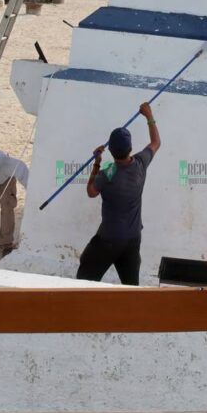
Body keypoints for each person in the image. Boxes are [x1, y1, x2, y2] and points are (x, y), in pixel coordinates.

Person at [76, 102, 160, 285]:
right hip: (132, 240)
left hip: (108, 239)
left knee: (84, 279)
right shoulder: (140, 164)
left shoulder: (107, 174)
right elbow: (155, 143)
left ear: (111, 152)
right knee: (131, 286)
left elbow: (91, 192)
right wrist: (149, 116)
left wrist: (97, 163)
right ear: (130, 148)